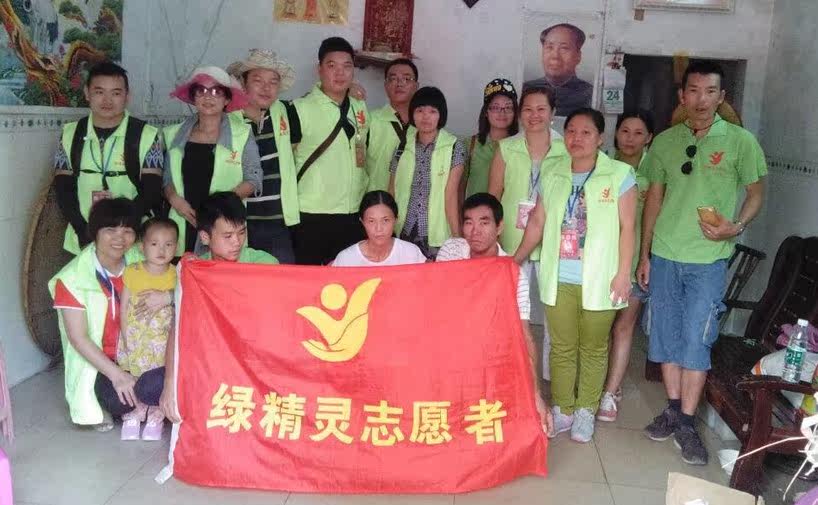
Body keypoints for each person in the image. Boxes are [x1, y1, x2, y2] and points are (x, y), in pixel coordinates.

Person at [638, 61, 766, 465]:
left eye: (710, 91)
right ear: (682, 95)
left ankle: (688, 423)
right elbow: (653, 199)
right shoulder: (665, 142)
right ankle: (674, 410)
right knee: (665, 338)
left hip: (708, 260)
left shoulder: (741, 142)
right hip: (664, 255)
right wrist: (644, 253)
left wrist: (736, 226)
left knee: (698, 339)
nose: (701, 99)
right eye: (693, 90)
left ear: (721, 97)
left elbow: (757, 193)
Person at [514, 108, 637, 443]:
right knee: (562, 346)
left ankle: (586, 409)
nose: (576, 138)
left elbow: (628, 228)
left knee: (594, 347)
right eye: (571, 131)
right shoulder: (552, 171)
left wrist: (623, 273)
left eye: (586, 132)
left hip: (601, 278)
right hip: (559, 276)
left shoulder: (619, 174)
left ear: (600, 138)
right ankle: (564, 409)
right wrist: (516, 259)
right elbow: (537, 221)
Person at [436, 192, 552, 435]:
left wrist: (536, 396)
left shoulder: (512, 273)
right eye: (468, 222)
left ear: (499, 227)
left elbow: (524, 335)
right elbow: (435, 305)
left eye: (484, 222)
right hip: (450, 345)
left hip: (490, 352)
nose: (475, 231)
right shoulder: (451, 251)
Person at [49, 198, 169, 432]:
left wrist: (168, 297)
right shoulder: (72, 278)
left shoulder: (143, 260)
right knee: (120, 400)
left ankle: (148, 396)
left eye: (127, 231)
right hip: (104, 362)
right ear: (95, 232)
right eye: (110, 230)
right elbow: (78, 338)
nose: (119, 238)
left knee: (163, 382)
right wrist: (117, 375)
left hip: (146, 353)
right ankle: (132, 398)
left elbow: (180, 284)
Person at [159, 191, 277, 423]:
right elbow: (179, 329)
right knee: (149, 388)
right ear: (205, 237)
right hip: (210, 362)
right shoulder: (195, 270)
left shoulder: (265, 265)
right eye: (227, 236)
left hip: (256, 363)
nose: (237, 242)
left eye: (241, 232)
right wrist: (169, 384)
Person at [488, 85, 567, 380]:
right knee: (510, 310)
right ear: (520, 114)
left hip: (552, 242)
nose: (534, 115)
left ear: (553, 112)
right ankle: (509, 374)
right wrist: (493, 240)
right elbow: (493, 197)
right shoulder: (506, 148)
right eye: (528, 109)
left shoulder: (565, 149)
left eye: (541, 109)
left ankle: (549, 378)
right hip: (513, 240)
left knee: (553, 314)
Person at [54, 61, 164, 255]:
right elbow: (63, 188)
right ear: (87, 93)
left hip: (131, 240)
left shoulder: (147, 135)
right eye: (99, 92)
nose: (107, 100)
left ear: (127, 96)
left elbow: (151, 191)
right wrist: (84, 231)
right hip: (83, 239)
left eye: (116, 93)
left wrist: (121, 231)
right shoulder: (70, 134)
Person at [162, 66, 263, 256]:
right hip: (183, 219)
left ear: (227, 99)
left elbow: (254, 178)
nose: (208, 97)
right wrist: (175, 200)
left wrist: (218, 208)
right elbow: (166, 178)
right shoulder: (172, 134)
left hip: (224, 224)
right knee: (181, 270)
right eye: (201, 91)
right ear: (193, 97)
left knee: (219, 270)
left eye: (216, 91)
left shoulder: (242, 133)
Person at [289, 37, 369, 265]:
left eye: (347, 66)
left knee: (349, 282)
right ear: (319, 69)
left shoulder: (360, 108)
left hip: (353, 213)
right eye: (332, 65)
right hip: (311, 214)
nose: (340, 73)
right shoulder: (299, 109)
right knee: (310, 281)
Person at [597, 109, 655, 423]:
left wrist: (645, 257)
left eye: (638, 133)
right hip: (601, 261)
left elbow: (650, 221)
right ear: (615, 133)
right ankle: (596, 383)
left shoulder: (653, 171)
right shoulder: (602, 165)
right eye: (625, 131)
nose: (630, 139)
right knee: (598, 326)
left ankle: (610, 391)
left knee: (623, 326)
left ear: (649, 138)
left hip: (634, 262)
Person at [227, 49, 300, 264]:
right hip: (238, 222)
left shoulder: (287, 111)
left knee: (282, 278)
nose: (266, 88)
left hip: (278, 222)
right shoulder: (227, 118)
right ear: (243, 83)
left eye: (273, 82)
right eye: (257, 80)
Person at [117, 217, 178, 441]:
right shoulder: (133, 271)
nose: (161, 250)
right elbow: (124, 307)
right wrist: (126, 337)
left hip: (162, 340)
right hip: (136, 337)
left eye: (168, 244)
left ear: (176, 247)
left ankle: (156, 414)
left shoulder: (178, 274)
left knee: (157, 375)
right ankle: (137, 410)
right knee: (136, 374)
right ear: (142, 247)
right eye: (154, 244)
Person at [389, 86, 465, 259]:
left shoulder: (454, 146)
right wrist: (389, 229)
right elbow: (392, 190)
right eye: (420, 110)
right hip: (404, 229)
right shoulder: (401, 146)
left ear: (441, 115)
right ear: (412, 114)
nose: (425, 116)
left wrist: (456, 238)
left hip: (437, 233)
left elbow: (451, 195)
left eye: (432, 111)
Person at [332, 191, 426, 267]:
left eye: (385, 220)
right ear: (362, 222)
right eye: (371, 221)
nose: (379, 228)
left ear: (395, 220)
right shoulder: (346, 259)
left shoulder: (411, 253)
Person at [366, 58, 419, 192]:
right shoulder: (370, 121)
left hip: (414, 203)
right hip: (377, 201)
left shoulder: (425, 124)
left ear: (416, 86)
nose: (400, 84)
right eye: (393, 78)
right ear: (385, 85)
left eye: (407, 79)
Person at [463, 78, 519, 198]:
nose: (502, 113)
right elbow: (458, 189)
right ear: (486, 112)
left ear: (515, 113)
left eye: (508, 107)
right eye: (495, 107)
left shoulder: (521, 147)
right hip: (475, 209)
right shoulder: (470, 145)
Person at [523, 23, 593, 117]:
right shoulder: (526, 89)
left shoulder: (590, 94)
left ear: (578, 56)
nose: (555, 56)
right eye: (549, 47)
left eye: (564, 48)